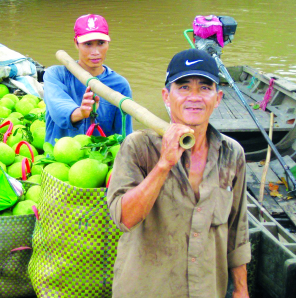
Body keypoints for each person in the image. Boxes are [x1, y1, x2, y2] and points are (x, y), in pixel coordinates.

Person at [107, 48, 250, 297]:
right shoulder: (137, 147)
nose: (194, 97)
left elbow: (237, 230)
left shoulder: (232, 153)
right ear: (166, 96)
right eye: (183, 87)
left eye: (204, 88)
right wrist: (164, 164)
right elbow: (125, 218)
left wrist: (240, 290)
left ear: (217, 98)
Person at [43, 14, 132, 145]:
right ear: (76, 43)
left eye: (101, 43)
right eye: (88, 44)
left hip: (98, 162)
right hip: (58, 160)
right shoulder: (56, 75)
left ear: (108, 43)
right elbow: (58, 110)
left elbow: (123, 134)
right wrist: (81, 112)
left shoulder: (120, 85)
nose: (95, 52)